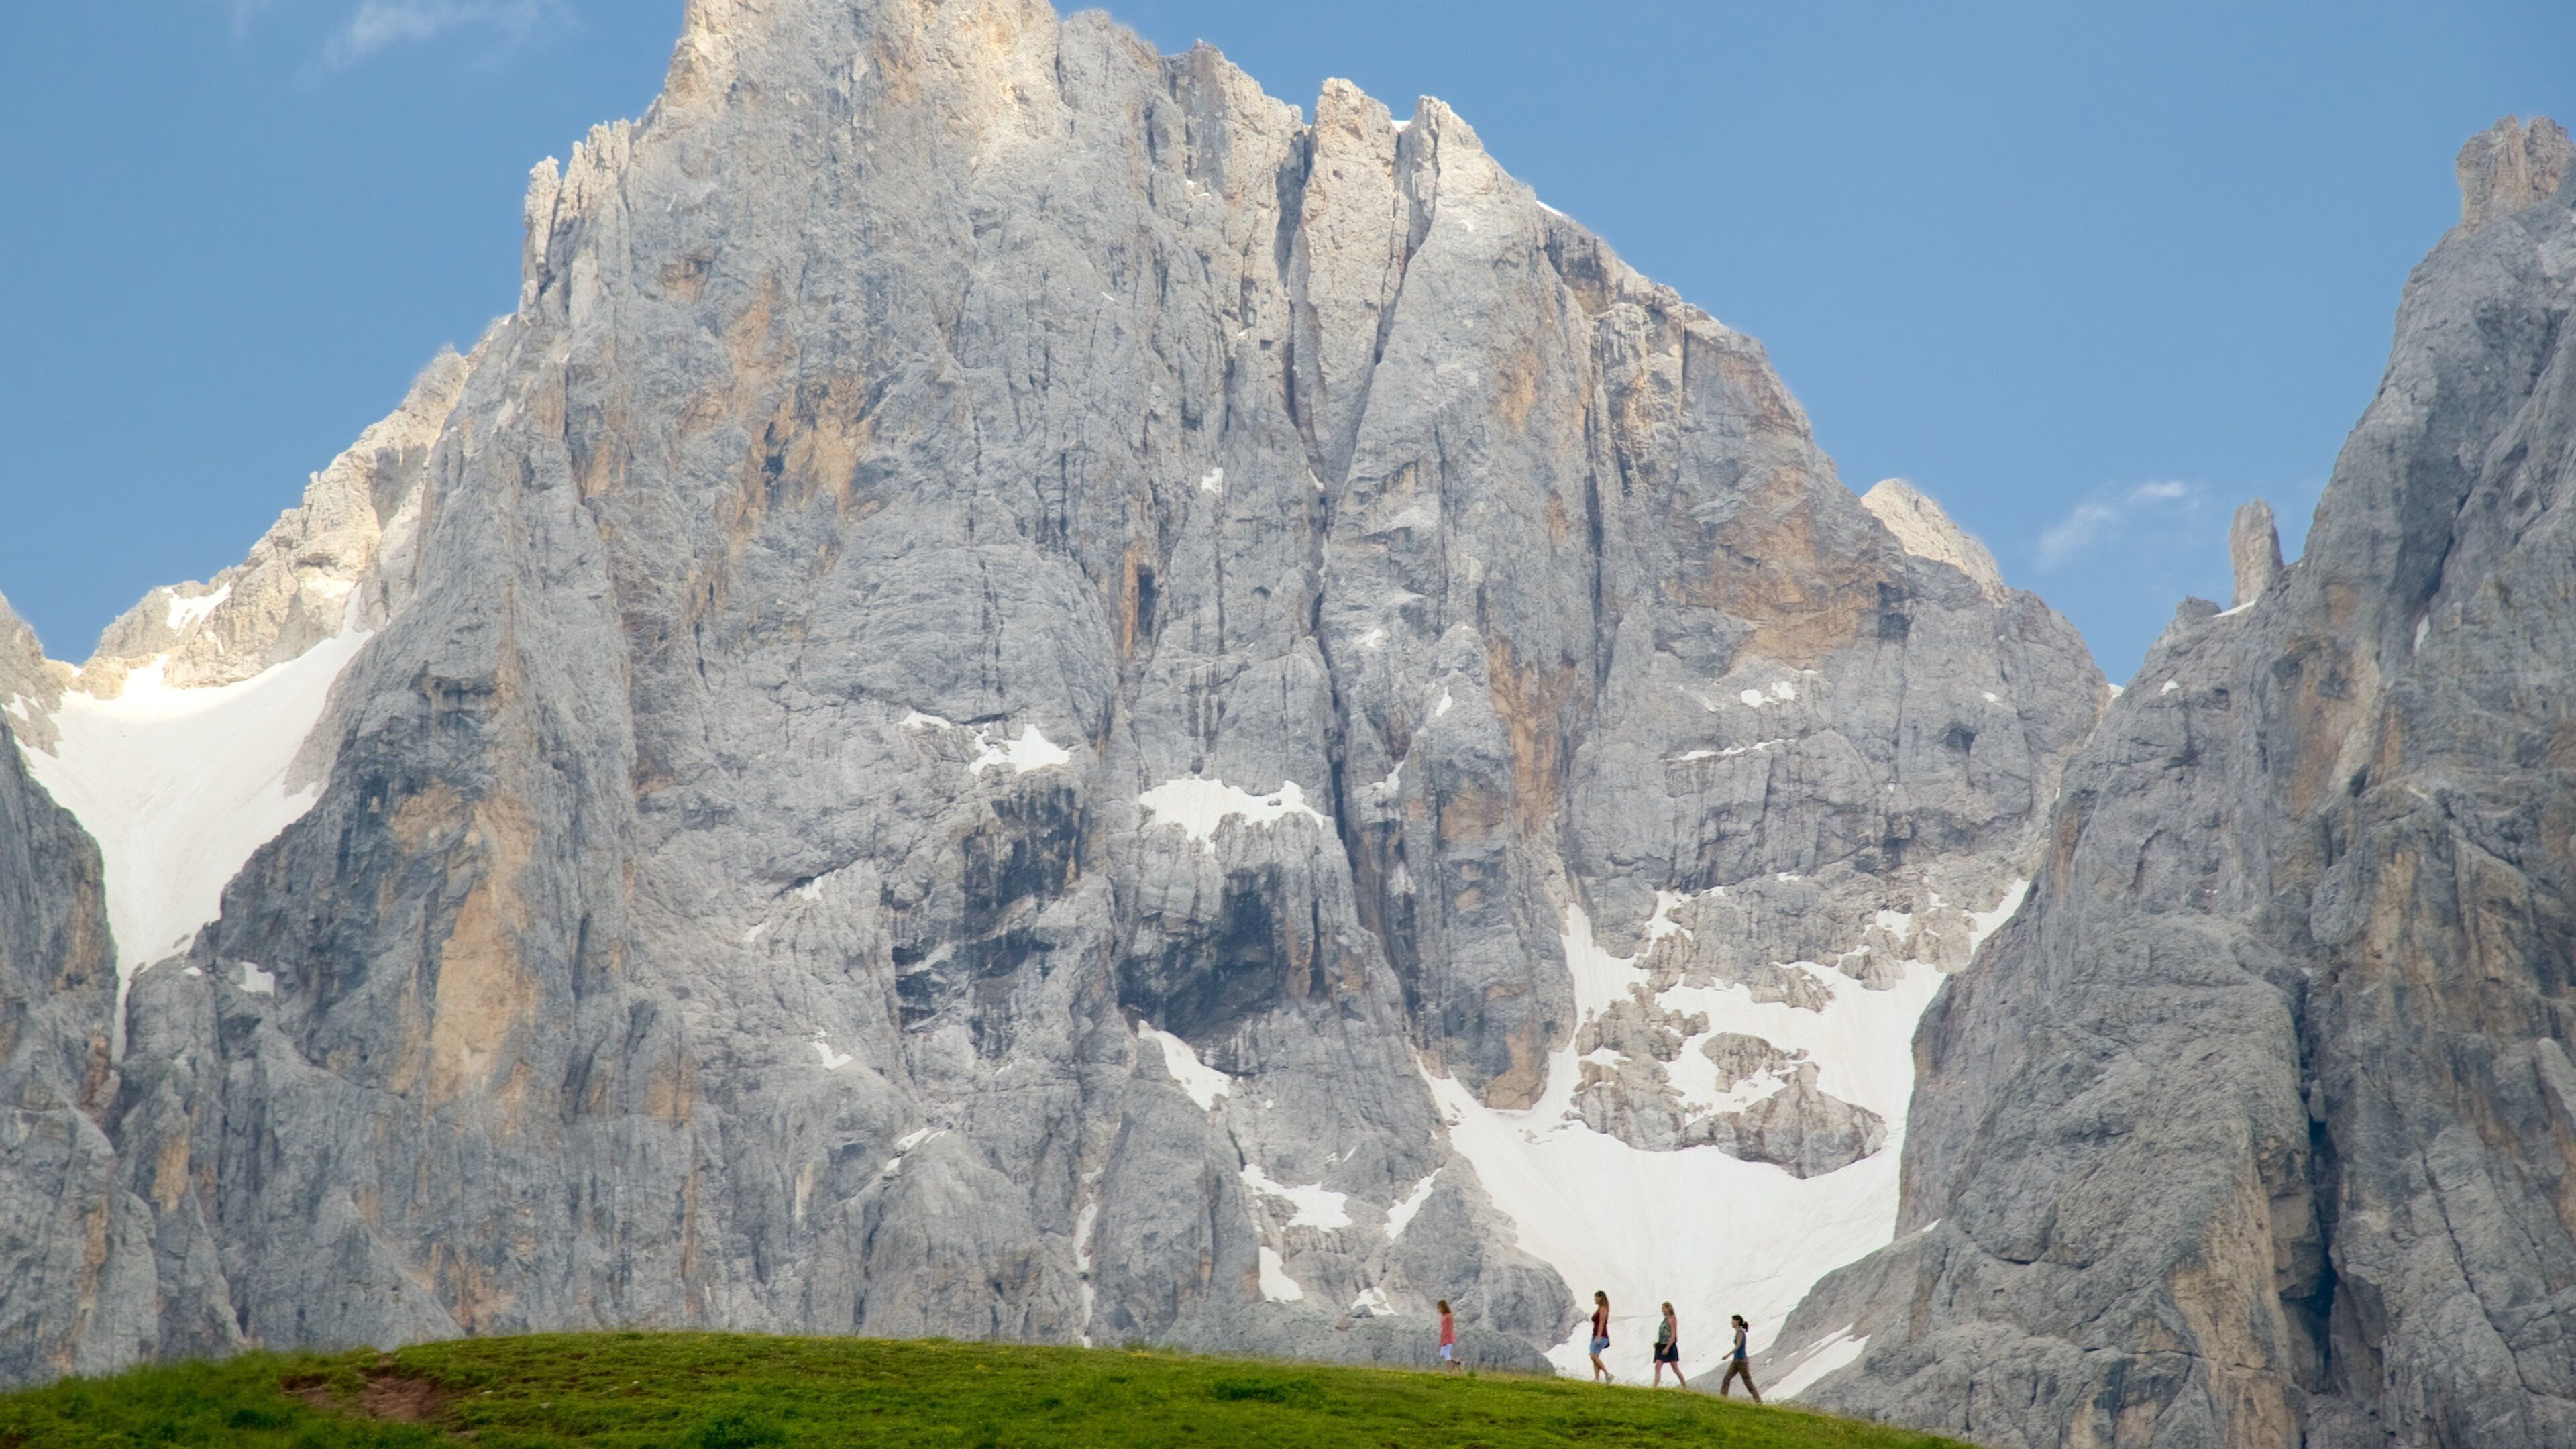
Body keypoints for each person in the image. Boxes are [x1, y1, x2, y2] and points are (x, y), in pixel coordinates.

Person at [1719, 1313, 1761, 1401]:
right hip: (1737, 1360)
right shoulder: (1738, 1332)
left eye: (1733, 1320)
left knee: (1747, 1381)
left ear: (1737, 1321)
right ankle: (1723, 1398)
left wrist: (1728, 1355)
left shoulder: (1740, 1332)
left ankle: (1757, 1400)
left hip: (1741, 1360)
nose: (1732, 1322)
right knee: (1727, 1378)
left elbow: (1738, 1346)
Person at [1652, 1301, 1686, 1387]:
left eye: (1663, 1308)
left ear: (1668, 1309)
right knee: (1658, 1367)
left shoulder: (1672, 1319)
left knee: (1675, 1369)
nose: (1662, 1310)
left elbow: (1673, 1335)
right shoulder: (1665, 1320)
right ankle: (1654, 1387)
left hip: (1669, 1346)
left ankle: (1685, 1386)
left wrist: (1667, 1348)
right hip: (1661, 1345)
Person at [1585, 1291, 1612, 1382]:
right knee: (1595, 1356)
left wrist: (1599, 1336)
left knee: (1593, 1355)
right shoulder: (1599, 1308)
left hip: (1601, 1336)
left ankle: (1607, 1374)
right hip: (1596, 1335)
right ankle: (1597, 1379)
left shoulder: (1603, 1309)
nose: (1595, 1299)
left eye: (1596, 1297)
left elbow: (1602, 1323)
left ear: (1600, 1298)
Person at [1437, 1300, 1460, 1371]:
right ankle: (1458, 1363)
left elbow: (1450, 1327)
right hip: (1444, 1337)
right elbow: (1443, 1328)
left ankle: (1449, 1370)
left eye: (1440, 1308)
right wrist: (1442, 1339)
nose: (1439, 1310)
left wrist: (1447, 1339)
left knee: (1446, 1354)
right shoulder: (1443, 1316)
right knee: (1442, 1354)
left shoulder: (1449, 1315)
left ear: (1444, 1307)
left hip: (1449, 1337)